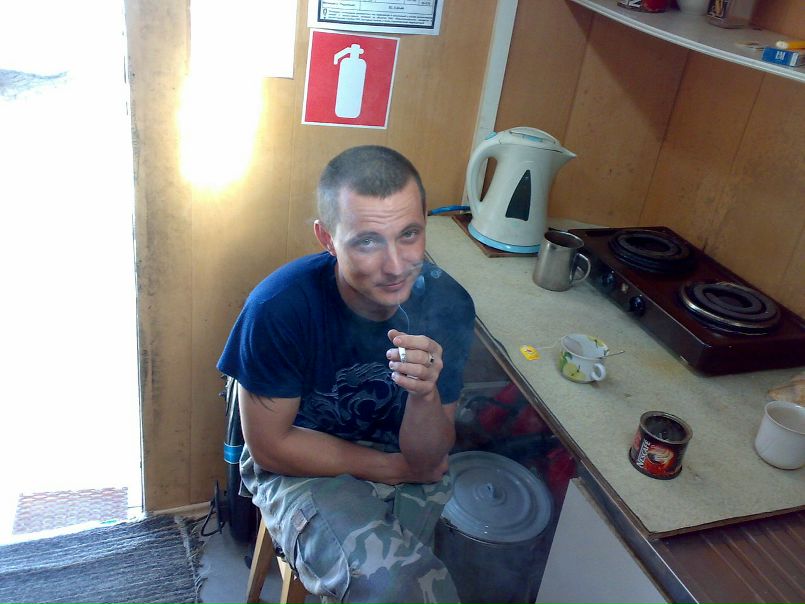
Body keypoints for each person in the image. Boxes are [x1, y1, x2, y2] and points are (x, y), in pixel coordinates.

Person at [217, 145, 476, 603]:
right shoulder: (279, 308)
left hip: (400, 454)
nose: (395, 266)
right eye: (368, 241)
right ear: (327, 238)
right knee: (397, 588)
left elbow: (431, 457)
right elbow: (270, 448)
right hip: (300, 465)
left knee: (444, 578)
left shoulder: (448, 306)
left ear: (424, 222)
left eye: (409, 234)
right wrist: (392, 469)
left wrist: (425, 395)